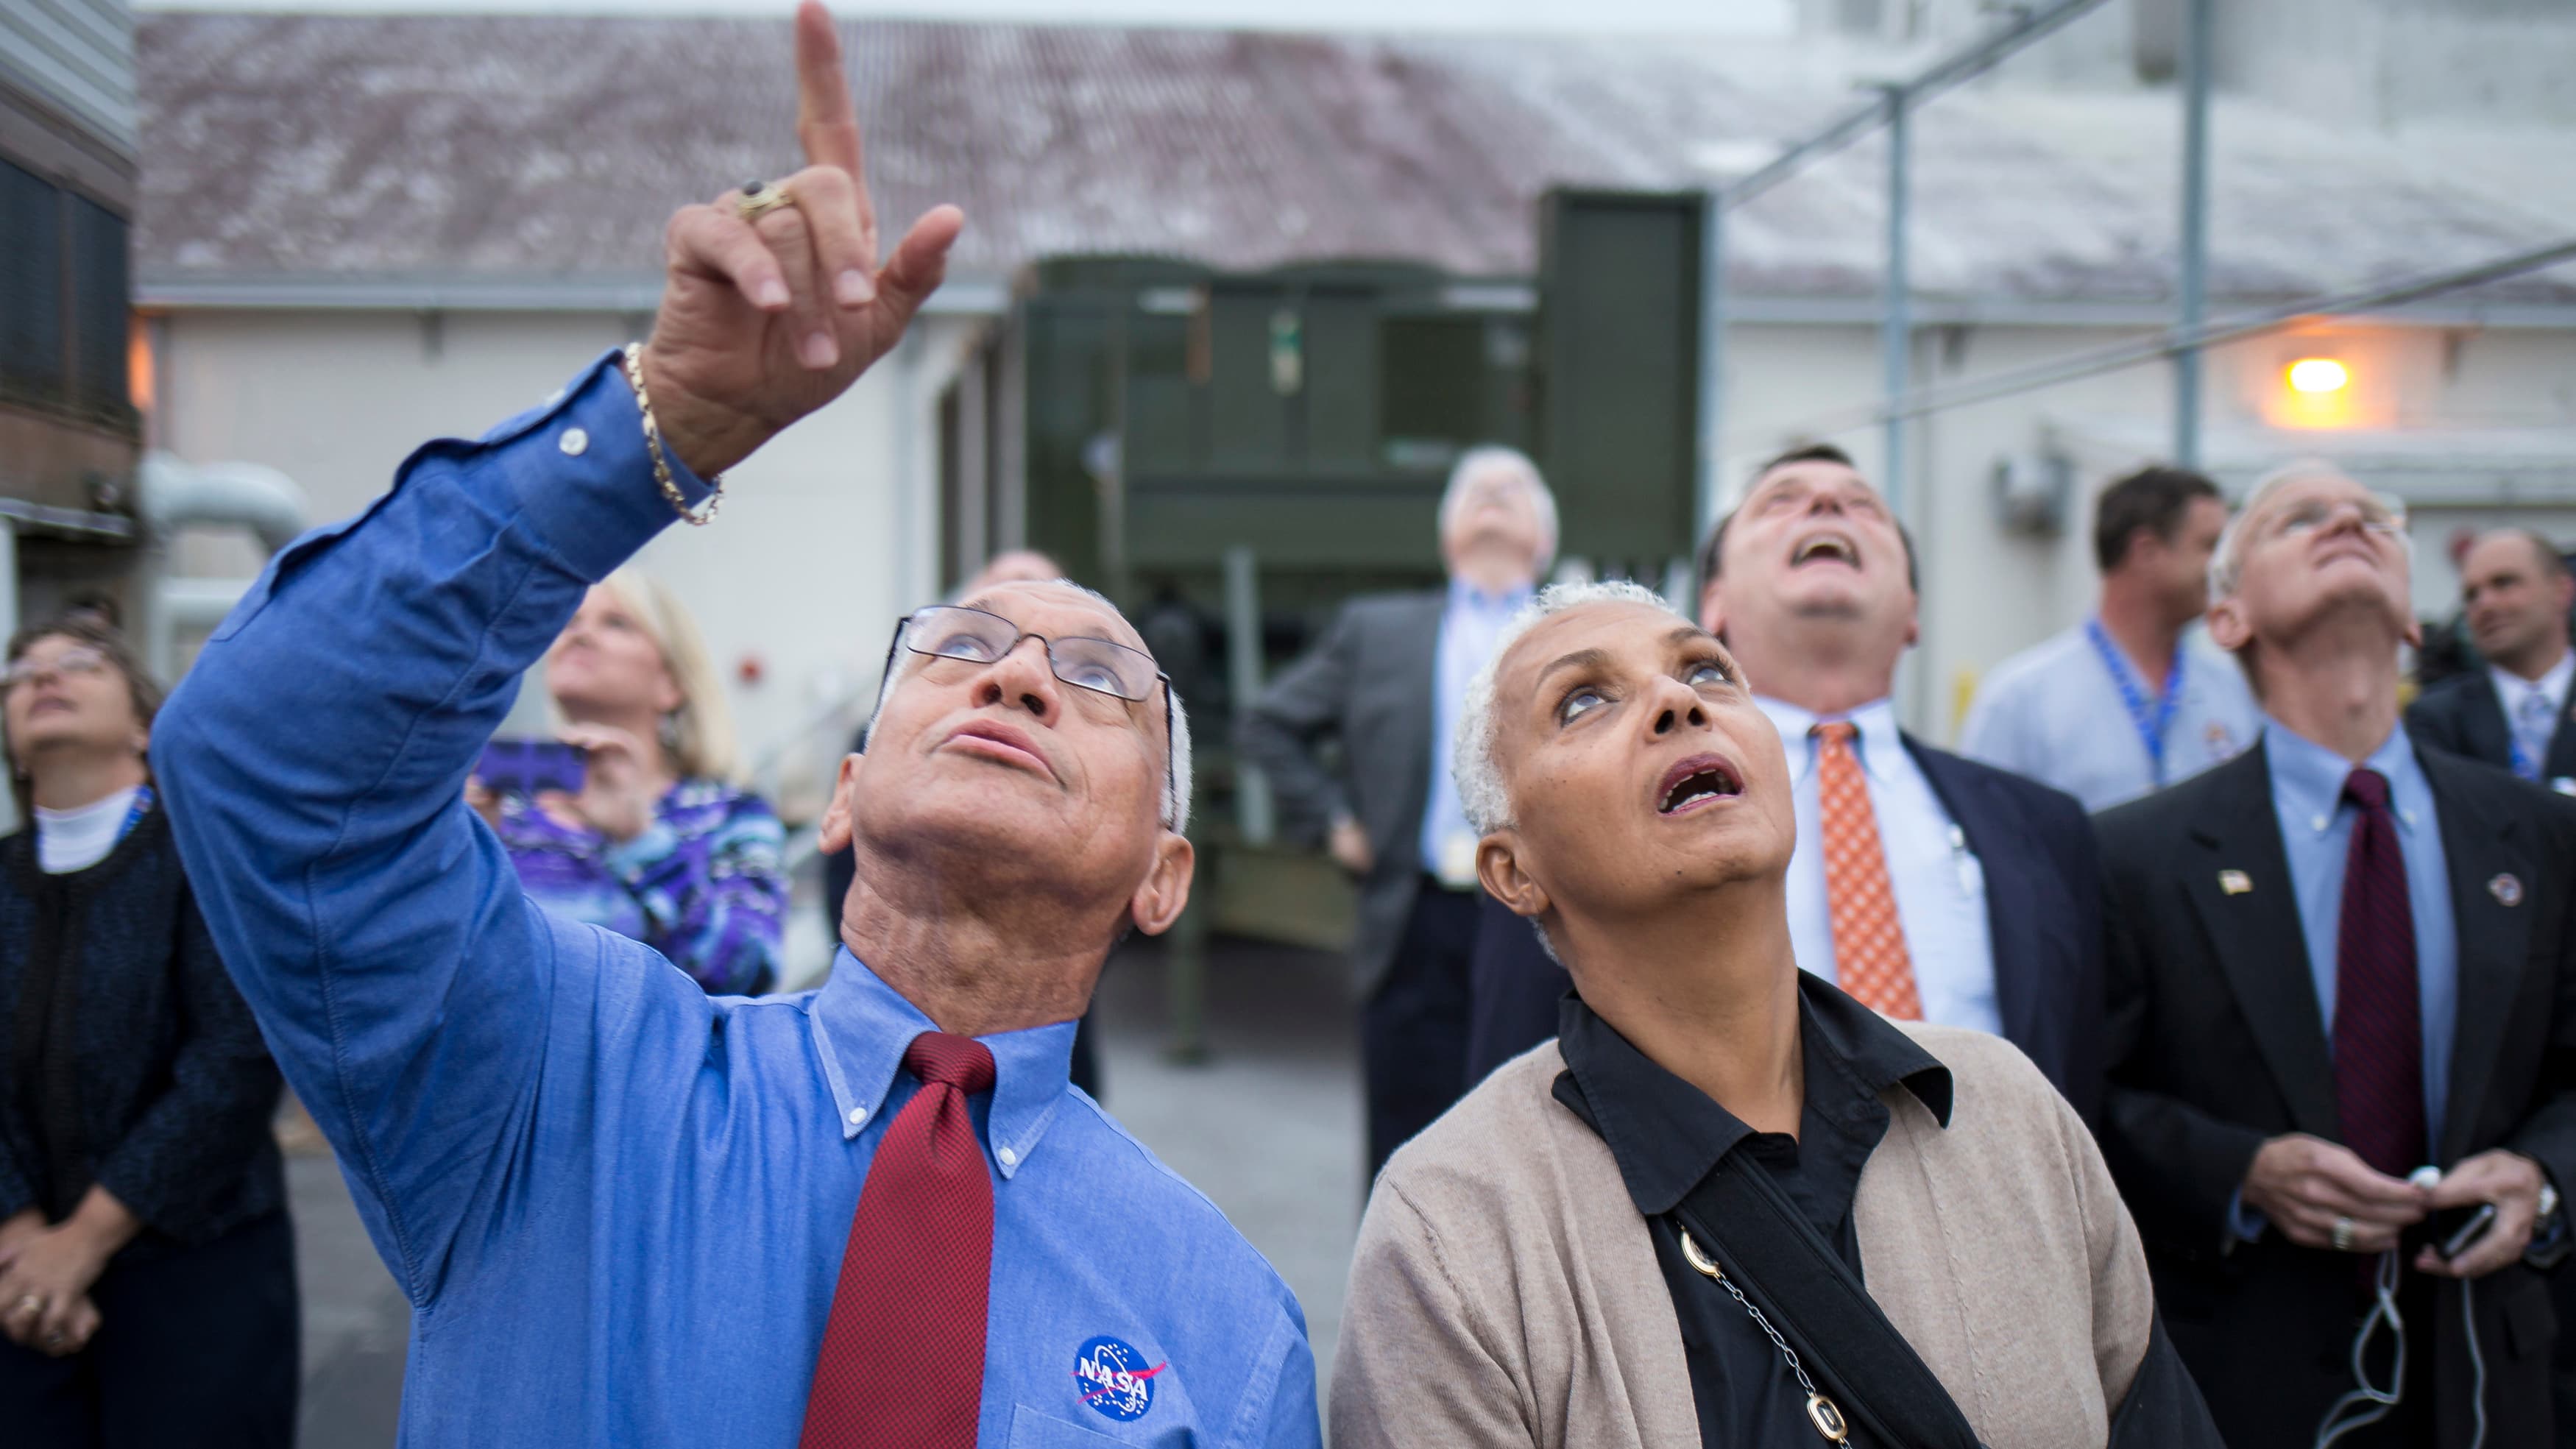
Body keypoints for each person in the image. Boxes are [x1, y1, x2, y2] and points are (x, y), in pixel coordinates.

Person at [150, 8, 1319, 1445]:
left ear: (1166, 871)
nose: (1015, 677)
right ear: (838, 798)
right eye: (956, 647)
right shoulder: (556, 1071)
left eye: (1096, 677)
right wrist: (666, 424)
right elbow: (269, 751)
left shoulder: (1232, 1328)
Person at [1331, 581, 2222, 1448]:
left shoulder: (2008, 1112)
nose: (1676, 702)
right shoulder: (1452, 1229)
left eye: (1706, 671)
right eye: (1583, 701)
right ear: (1512, 871)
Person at [2095, 461, 2576, 1448]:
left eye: (2375, 519)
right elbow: (2088, 1103)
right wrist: (2243, 1171)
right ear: (2227, 617)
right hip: (2245, 1377)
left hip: (2492, 1379)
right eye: (2299, 518)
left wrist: (2542, 1177)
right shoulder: (2133, 854)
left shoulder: (2536, 834)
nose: (2347, 523)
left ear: (2410, 617)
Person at [1465, 444, 2107, 1121]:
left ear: (1914, 608)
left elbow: (2087, 1091)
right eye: (1780, 502)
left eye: (1863, 506)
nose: (1827, 506)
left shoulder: (2050, 829)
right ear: (1713, 603)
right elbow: (1520, 1107)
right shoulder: (1580, 821)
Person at [0, 617, 294, 1446]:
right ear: (15, 748)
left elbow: (235, 1056)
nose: (42, 677)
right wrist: (22, 1241)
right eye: (21, 671)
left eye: (81, 663)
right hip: (14, 1279)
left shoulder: (204, 858)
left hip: (198, 1268)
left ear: (143, 725)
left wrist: (85, 1241)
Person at [1238, 445, 1557, 1180]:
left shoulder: (1576, 635)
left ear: (1542, 539)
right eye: (1474, 488)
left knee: (1535, 1144)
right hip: (1412, 917)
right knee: (1407, 1149)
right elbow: (1268, 723)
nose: (1492, 495)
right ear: (1446, 537)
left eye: (1513, 488)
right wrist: (1332, 821)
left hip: (1544, 923)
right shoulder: (1376, 630)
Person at [818, 548, 1107, 1097]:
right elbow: (841, 882)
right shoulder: (886, 733)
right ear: (846, 794)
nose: (1023, 665)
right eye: (985, 631)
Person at [476, 567, 788, 995]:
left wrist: (639, 839)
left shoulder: (730, 814)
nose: (578, 635)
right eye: (569, 620)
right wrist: (464, 852)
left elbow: (751, 975)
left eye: (616, 623)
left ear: (672, 684)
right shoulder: (496, 808)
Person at [1959, 464, 2258, 811]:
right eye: (2210, 546)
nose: (2225, 568)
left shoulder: (2233, 691)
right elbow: (1989, 835)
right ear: (2146, 551)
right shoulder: (2023, 699)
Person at [2409, 528, 2576, 793]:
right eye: (2471, 595)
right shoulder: (2436, 718)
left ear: (2562, 590)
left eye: (2504, 583)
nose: (2485, 604)